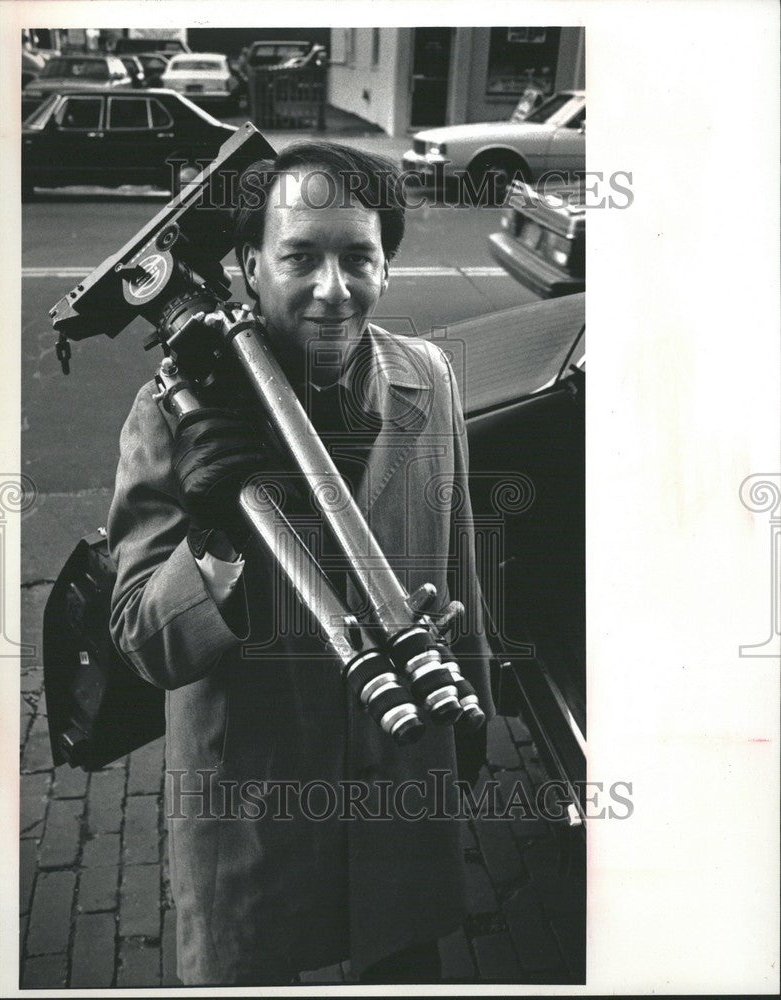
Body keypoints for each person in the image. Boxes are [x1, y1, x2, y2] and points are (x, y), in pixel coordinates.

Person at [108, 142, 495, 985]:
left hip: (402, 784)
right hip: (255, 809)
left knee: (407, 966)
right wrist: (212, 536)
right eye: (299, 257)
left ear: (387, 267)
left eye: (359, 256)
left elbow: (460, 561)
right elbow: (144, 643)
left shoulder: (427, 376)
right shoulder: (175, 409)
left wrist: (471, 720)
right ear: (249, 265)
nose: (332, 288)